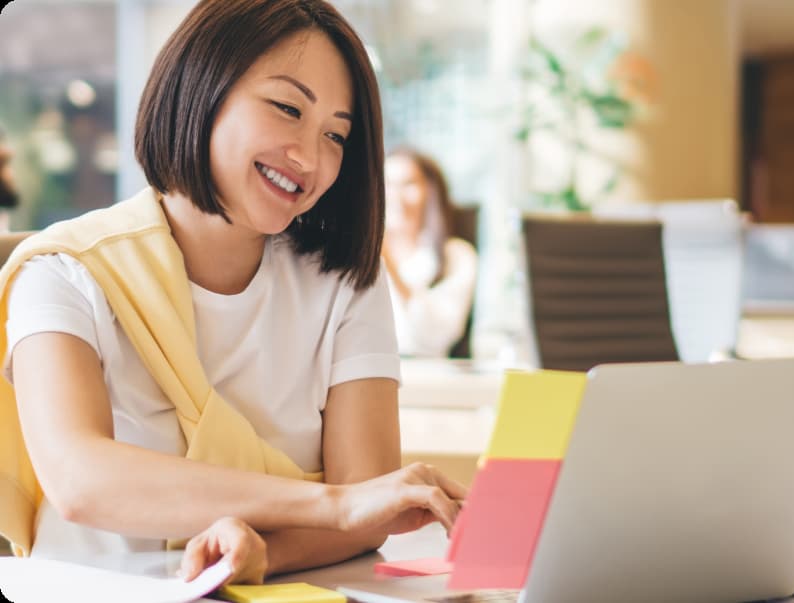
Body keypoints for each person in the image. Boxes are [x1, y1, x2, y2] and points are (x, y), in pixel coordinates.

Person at [0, 0, 466, 586]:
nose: (311, 158)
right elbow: (81, 479)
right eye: (286, 108)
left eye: (336, 136)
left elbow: (368, 514)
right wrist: (335, 505)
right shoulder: (63, 270)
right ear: (202, 87)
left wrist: (264, 553)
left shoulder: (345, 279)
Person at [381, 148, 477, 358]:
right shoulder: (359, 254)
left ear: (431, 192)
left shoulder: (457, 256)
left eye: (408, 184)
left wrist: (389, 264)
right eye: (387, 184)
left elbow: (436, 337)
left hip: (427, 373)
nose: (396, 196)